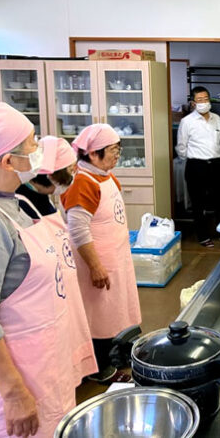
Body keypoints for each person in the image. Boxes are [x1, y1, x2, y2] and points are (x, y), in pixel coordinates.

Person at [0, 103, 96, 438]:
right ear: (7, 161)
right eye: (32, 146)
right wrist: (13, 393)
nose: (39, 153)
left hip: (41, 366)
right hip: (15, 382)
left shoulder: (13, 203)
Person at [62, 124, 141, 384]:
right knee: (99, 316)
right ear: (93, 154)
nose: (118, 154)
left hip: (116, 258)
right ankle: (100, 369)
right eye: (113, 149)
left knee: (116, 310)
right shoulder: (83, 182)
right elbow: (78, 230)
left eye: (119, 148)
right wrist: (95, 266)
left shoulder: (106, 176)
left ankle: (115, 355)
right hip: (96, 263)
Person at [176, 86, 220, 248]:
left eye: (206, 99)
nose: (203, 102)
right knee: (198, 203)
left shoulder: (217, 119)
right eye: (199, 100)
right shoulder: (187, 121)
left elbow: (218, 142)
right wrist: (193, 158)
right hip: (196, 165)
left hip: (216, 165)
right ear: (193, 103)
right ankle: (203, 236)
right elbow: (181, 147)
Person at [16, 136, 77, 219]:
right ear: (51, 176)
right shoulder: (21, 203)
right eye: (70, 170)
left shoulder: (40, 194)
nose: (73, 174)